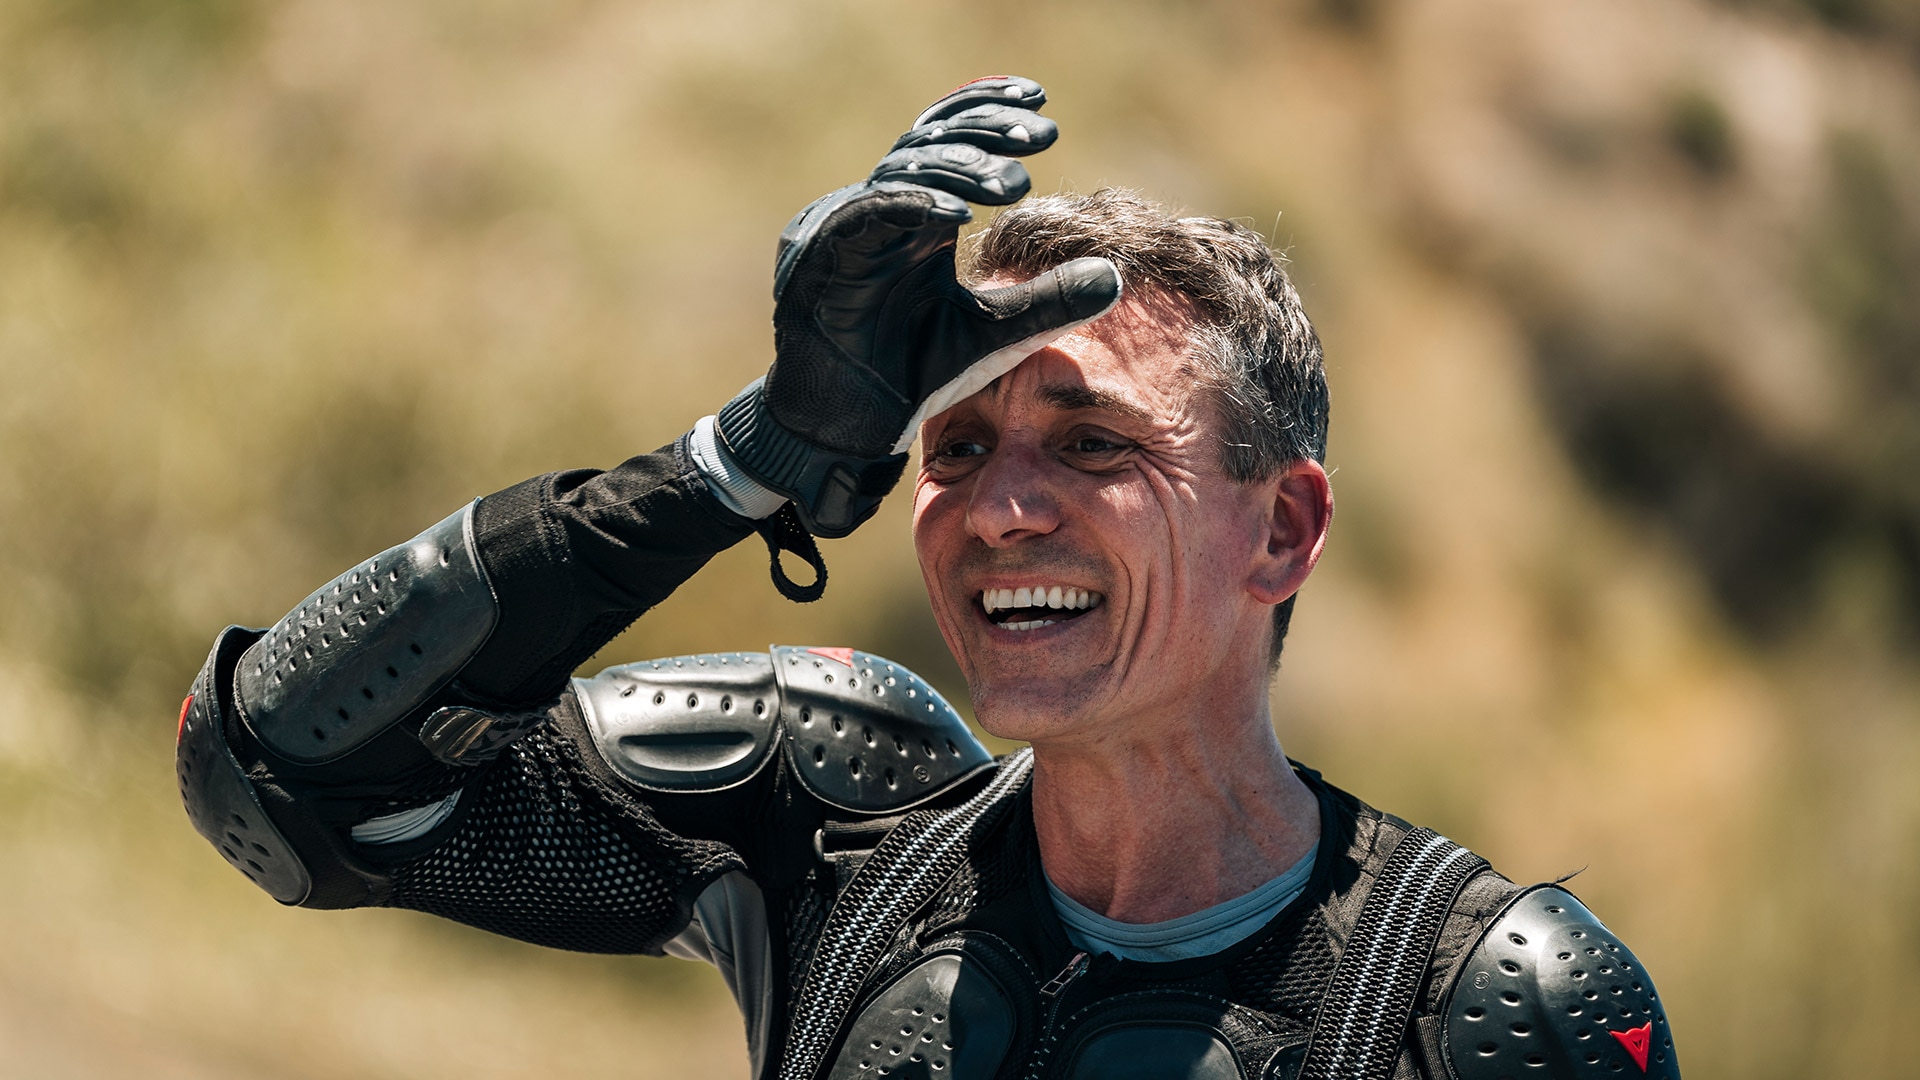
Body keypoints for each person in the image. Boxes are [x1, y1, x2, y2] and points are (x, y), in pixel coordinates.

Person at [176, 77, 1680, 1079]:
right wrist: (738, 464)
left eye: (1093, 443)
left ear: (1282, 530)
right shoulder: (826, 815)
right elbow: (280, 777)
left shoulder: (1484, 1002)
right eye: (953, 448)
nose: (999, 511)